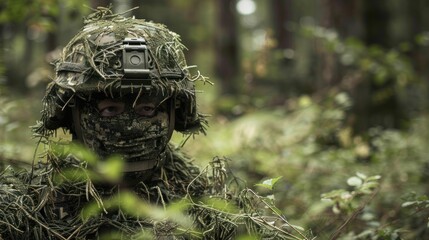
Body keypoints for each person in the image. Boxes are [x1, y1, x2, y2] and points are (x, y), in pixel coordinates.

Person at [0, 7, 301, 240]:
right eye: (109, 109)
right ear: (71, 114)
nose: (130, 125)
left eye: (147, 109)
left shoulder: (205, 203)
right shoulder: (31, 206)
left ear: (174, 115)